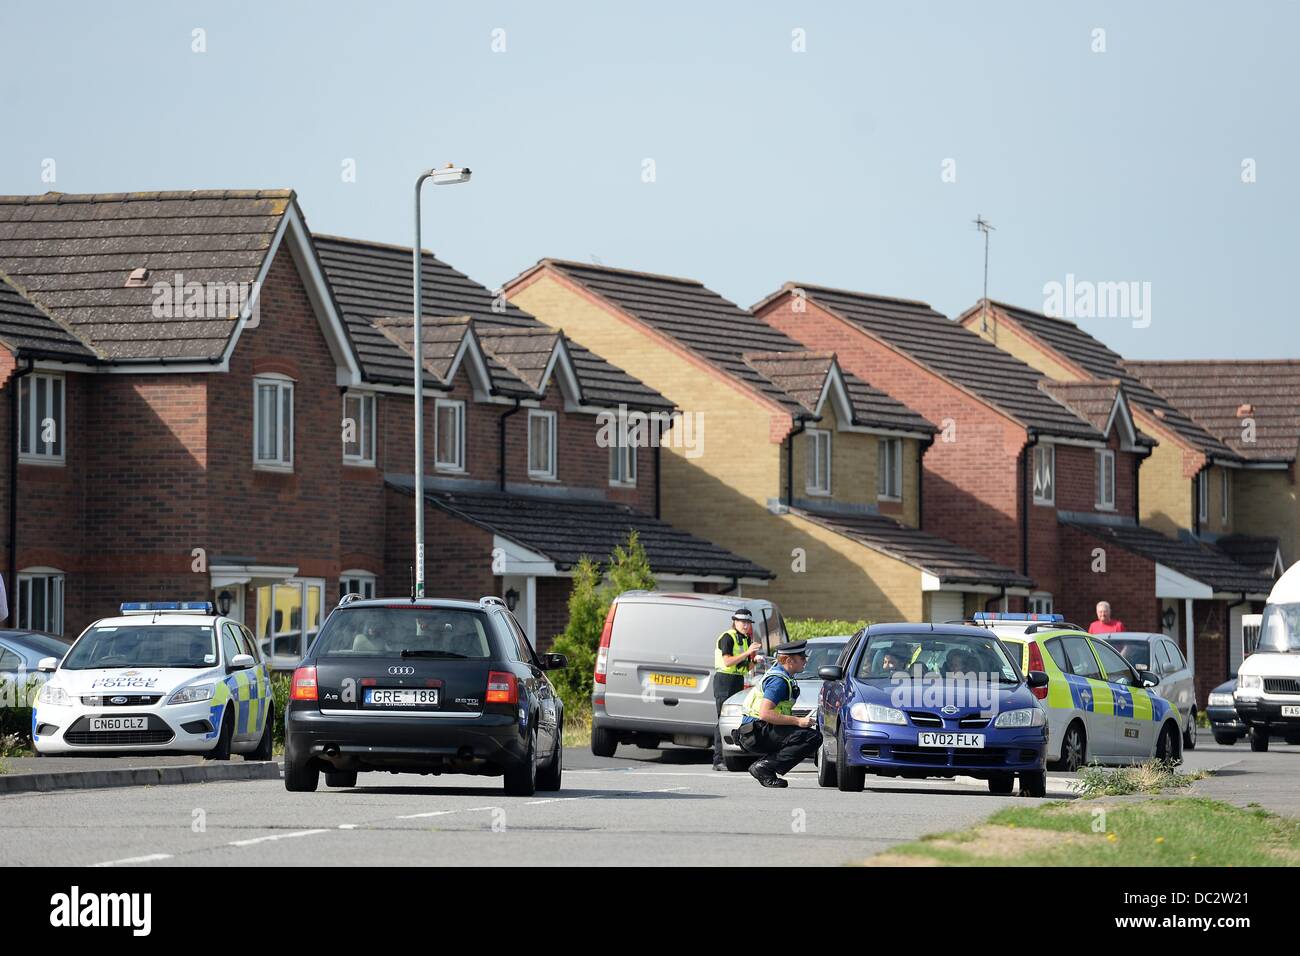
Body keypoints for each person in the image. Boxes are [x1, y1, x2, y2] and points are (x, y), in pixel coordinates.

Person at [735, 640, 821, 788]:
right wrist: (797, 721)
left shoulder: (782, 675)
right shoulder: (778, 681)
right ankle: (764, 767)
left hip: (757, 730)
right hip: (756, 732)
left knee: (802, 734)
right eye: (802, 658)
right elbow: (765, 713)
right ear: (789, 660)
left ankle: (767, 769)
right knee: (812, 737)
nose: (805, 661)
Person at [712, 608, 761, 770]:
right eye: (742, 622)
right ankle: (718, 760)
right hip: (724, 680)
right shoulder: (728, 637)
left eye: (748, 623)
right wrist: (748, 652)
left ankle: (737, 757)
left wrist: (755, 661)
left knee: (737, 718)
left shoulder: (745, 639)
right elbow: (727, 661)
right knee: (722, 720)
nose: (746, 625)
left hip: (737, 679)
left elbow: (744, 667)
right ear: (735, 622)